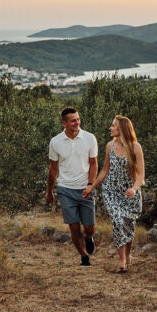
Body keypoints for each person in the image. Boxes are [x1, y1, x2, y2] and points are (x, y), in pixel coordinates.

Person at [46, 107, 99, 266]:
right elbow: (53, 168)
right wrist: (49, 191)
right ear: (64, 123)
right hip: (65, 189)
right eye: (73, 120)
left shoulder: (89, 138)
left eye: (78, 119)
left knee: (89, 228)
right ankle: (83, 256)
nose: (77, 122)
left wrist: (90, 184)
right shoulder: (55, 142)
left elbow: (94, 164)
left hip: (85, 188)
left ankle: (89, 238)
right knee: (74, 227)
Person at [93, 115, 144, 272]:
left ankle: (128, 256)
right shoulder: (110, 146)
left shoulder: (135, 147)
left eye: (113, 125)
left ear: (121, 128)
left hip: (129, 192)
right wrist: (92, 185)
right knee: (117, 221)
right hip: (111, 191)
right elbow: (105, 169)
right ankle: (122, 260)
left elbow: (141, 174)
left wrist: (134, 189)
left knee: (128, 224)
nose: (110, 128)